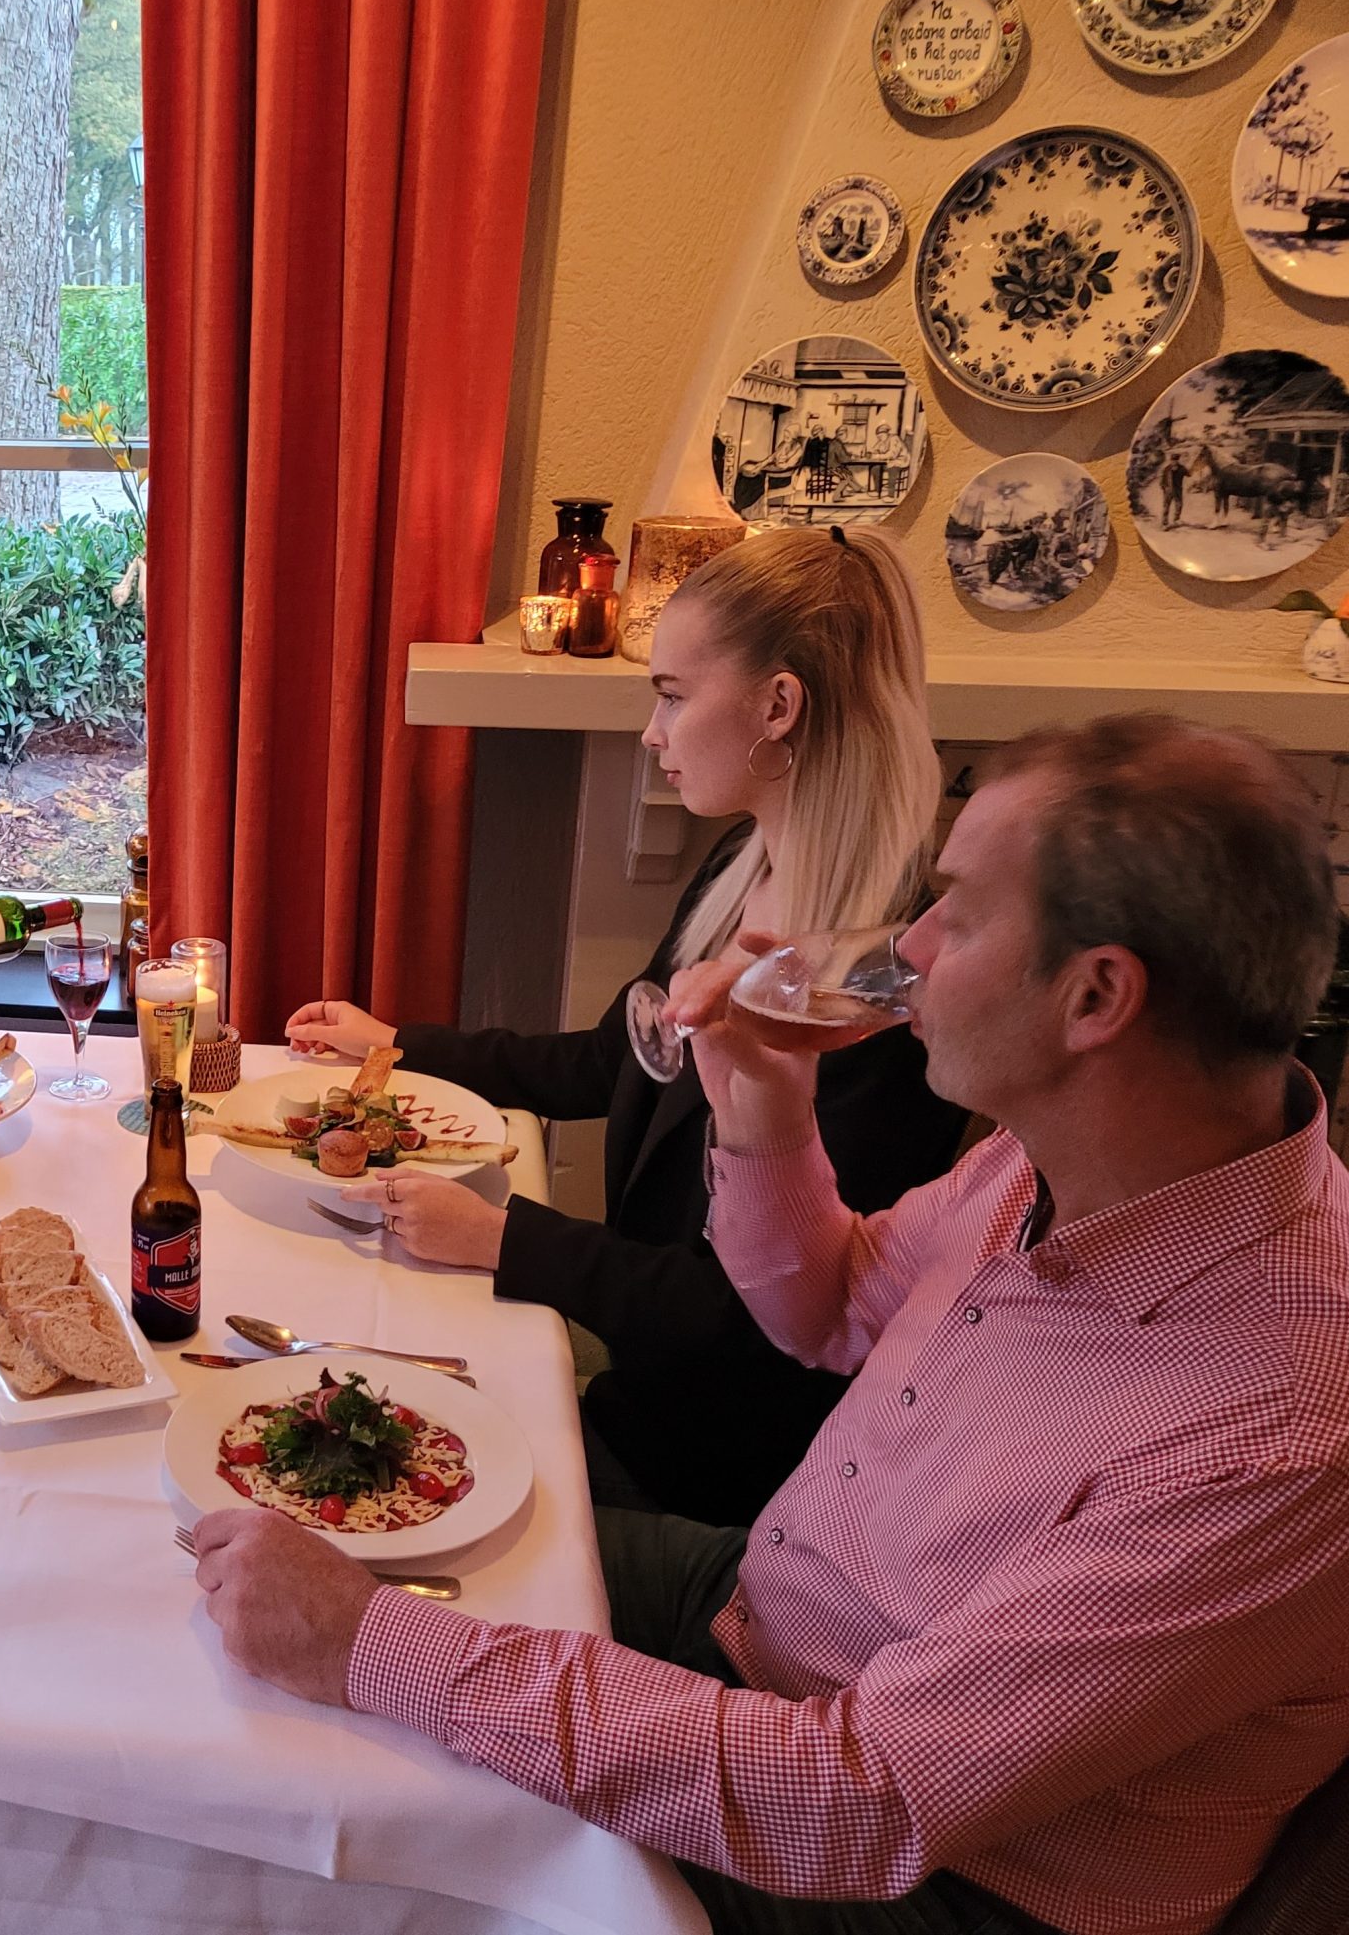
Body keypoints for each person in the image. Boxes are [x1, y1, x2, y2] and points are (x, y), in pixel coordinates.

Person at [195, 713, 1349, 1935]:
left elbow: (860, 1798)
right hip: (772, 1609)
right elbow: (833, 1310)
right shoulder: (1049, 1158)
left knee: (339, 1821)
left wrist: (377, 1647)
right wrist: (762, 1110)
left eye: (954, 910)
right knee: (291, 1532)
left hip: (936, 1882)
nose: (909, 940)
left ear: (1096, 994)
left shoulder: (1281, 1426)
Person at [287, 528, 966, 1524]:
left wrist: (503, 1237)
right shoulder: (742, 864)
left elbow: (751, 1320)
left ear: (778, 706)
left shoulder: (883, 983)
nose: (652, 733)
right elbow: (607, 1062)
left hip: (723, 1475)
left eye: (672, 694)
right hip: (641, 1399)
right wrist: (397, 1042)